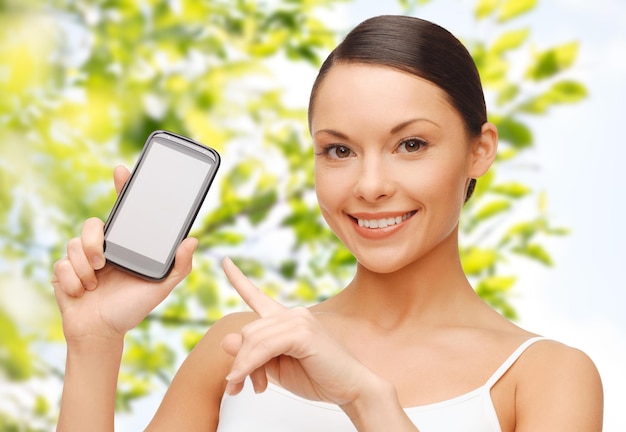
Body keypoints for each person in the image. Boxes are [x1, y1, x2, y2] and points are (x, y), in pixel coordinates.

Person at [51, 15, 603, 431]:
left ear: (479, 151)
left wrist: (367, 398)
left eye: (410, 144)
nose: (369, 185)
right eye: (338, 151)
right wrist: (94, 343)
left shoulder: (545, 377)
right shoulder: (237, 351)